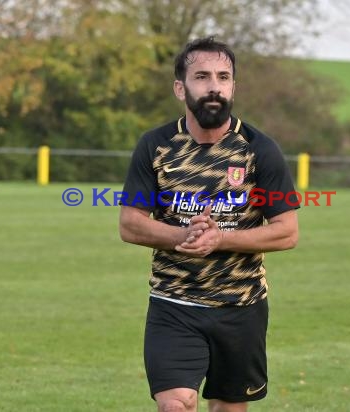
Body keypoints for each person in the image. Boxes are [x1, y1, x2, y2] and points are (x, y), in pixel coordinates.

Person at [119, 36, 299, 412]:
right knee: (176, 405)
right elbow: (131, 224)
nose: (214, 86)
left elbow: (286, 231)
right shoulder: (156, 146)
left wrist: (220, 239)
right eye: (202, 76)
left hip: (241, 306)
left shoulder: (258, 149)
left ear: (233, 86)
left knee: (228, 408)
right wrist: (184, 235)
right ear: (180, 88)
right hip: (174, 302)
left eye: (223, 76)